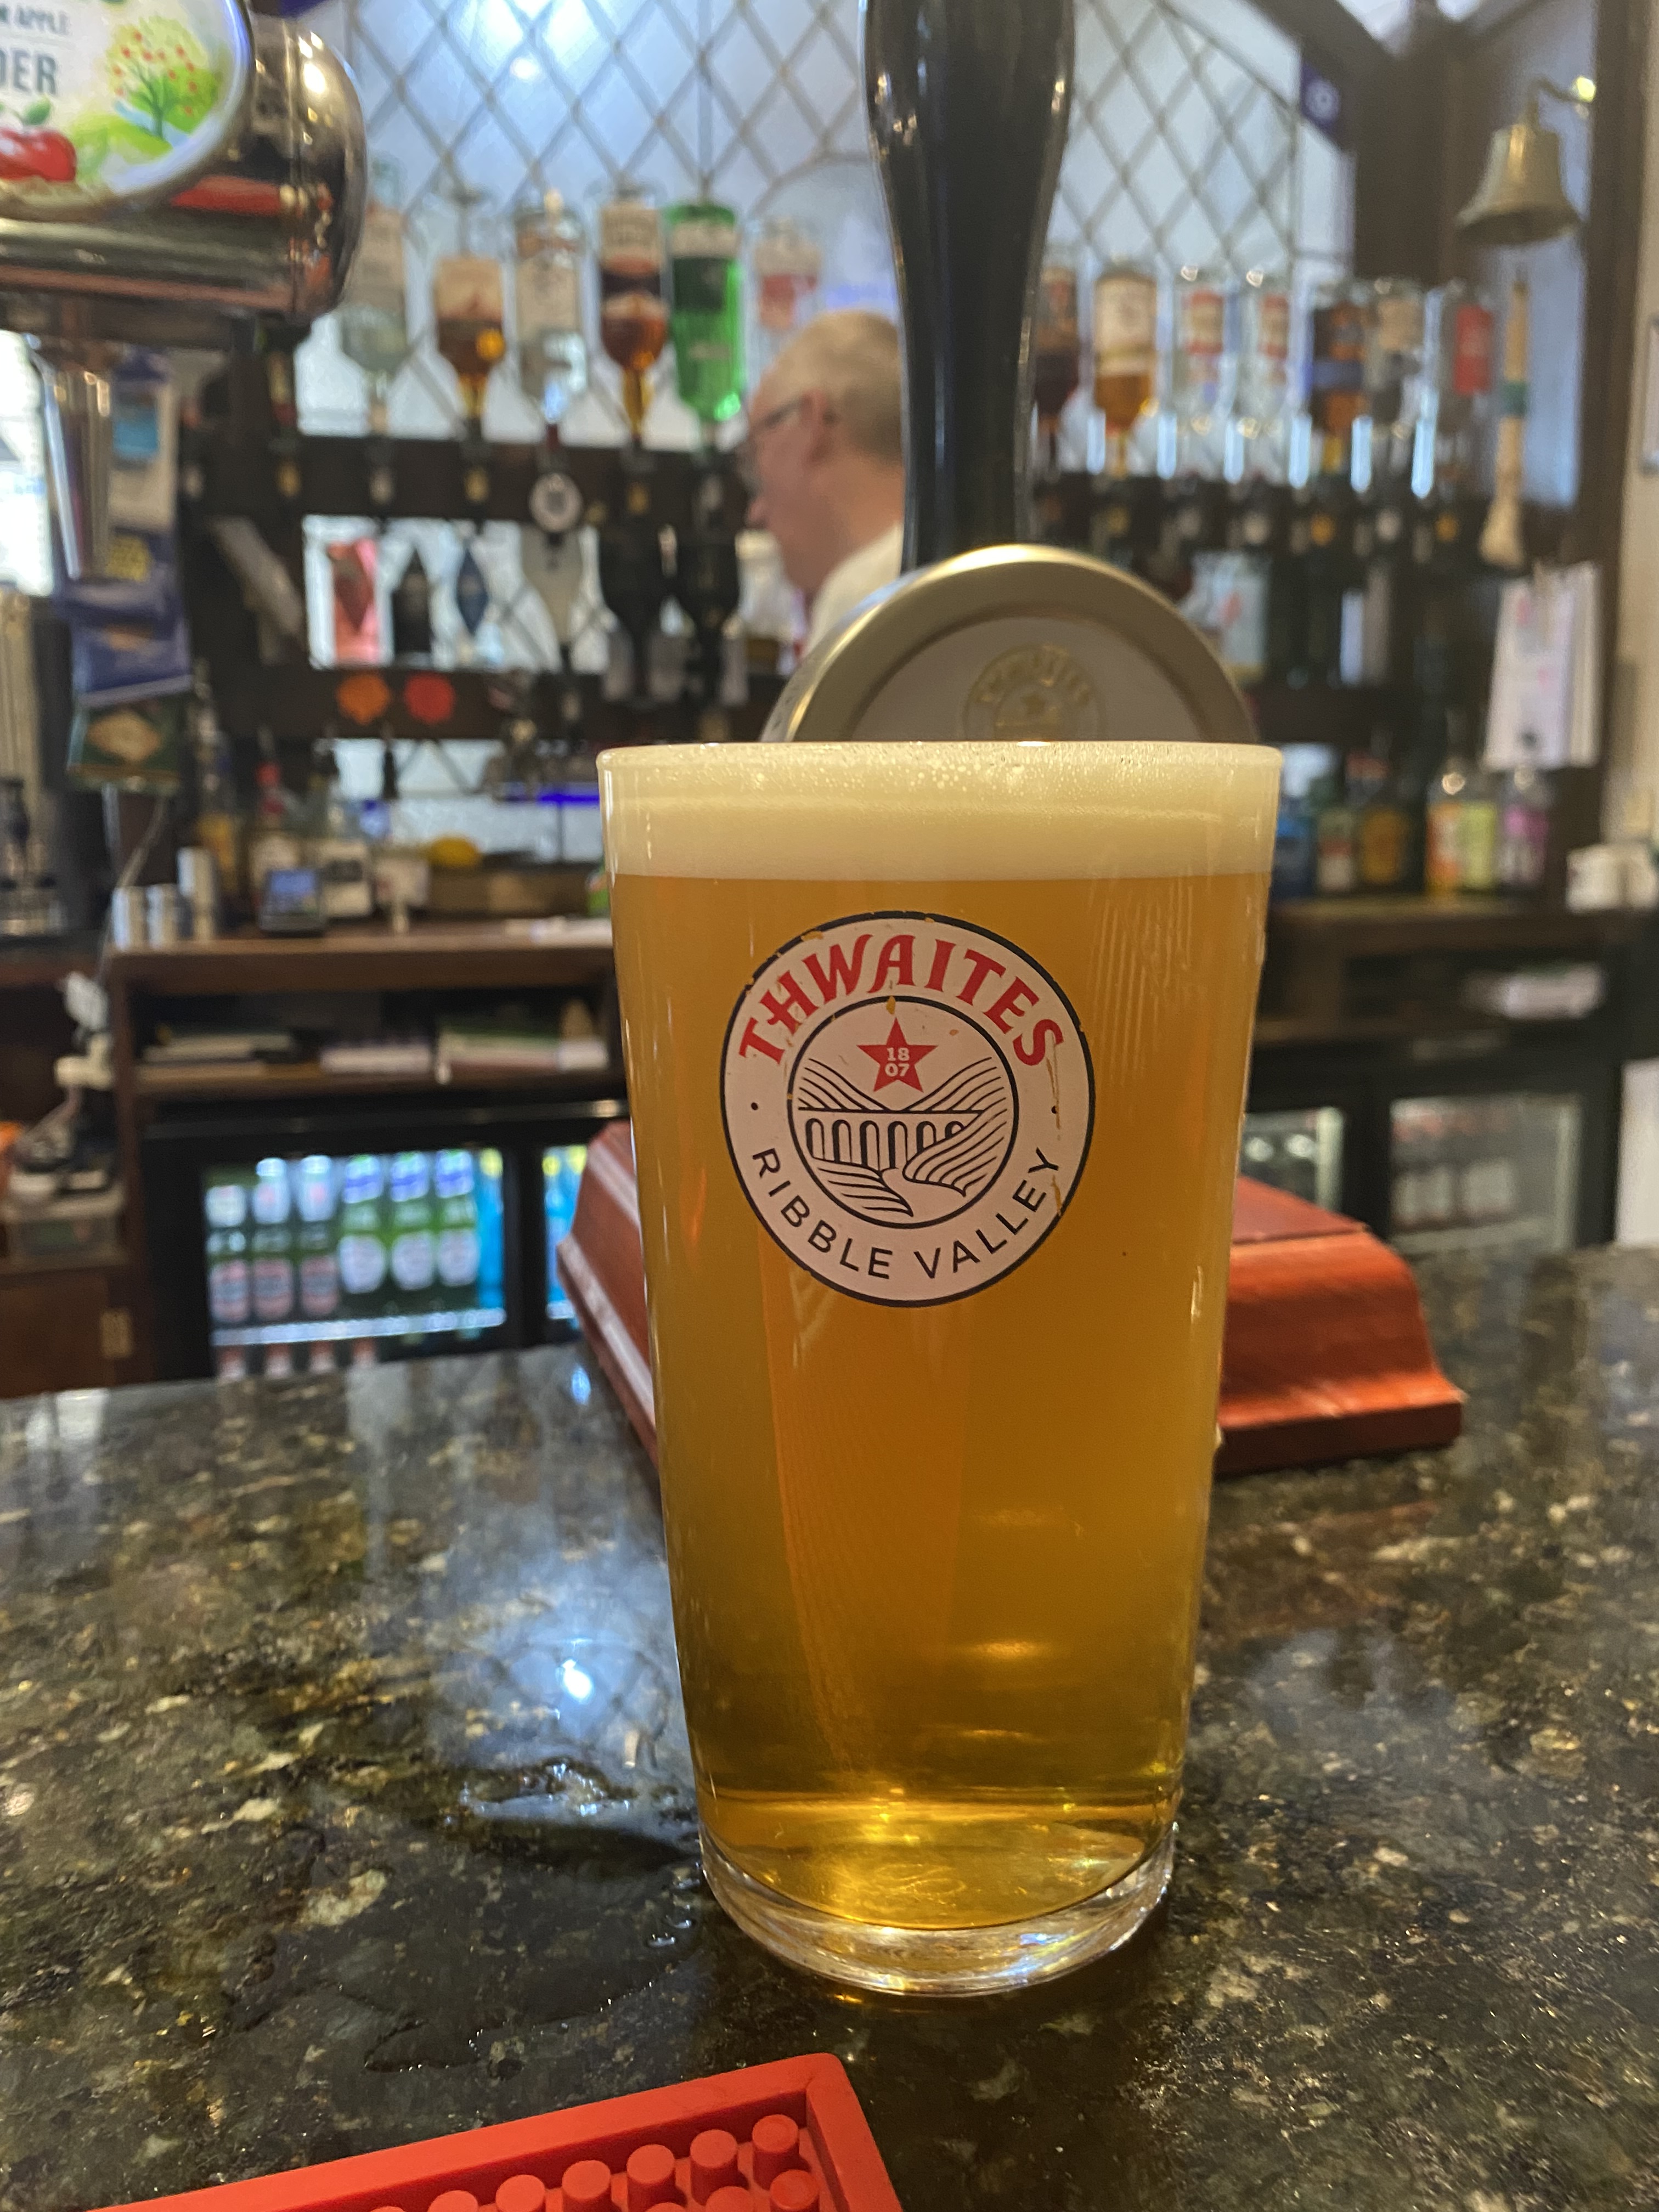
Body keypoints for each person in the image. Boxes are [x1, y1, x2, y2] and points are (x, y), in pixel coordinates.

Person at [743, 308, 905, 650]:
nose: (756, 511)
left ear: (808, 423)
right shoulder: (964, 576)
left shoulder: (862, 603)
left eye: (756, 449)